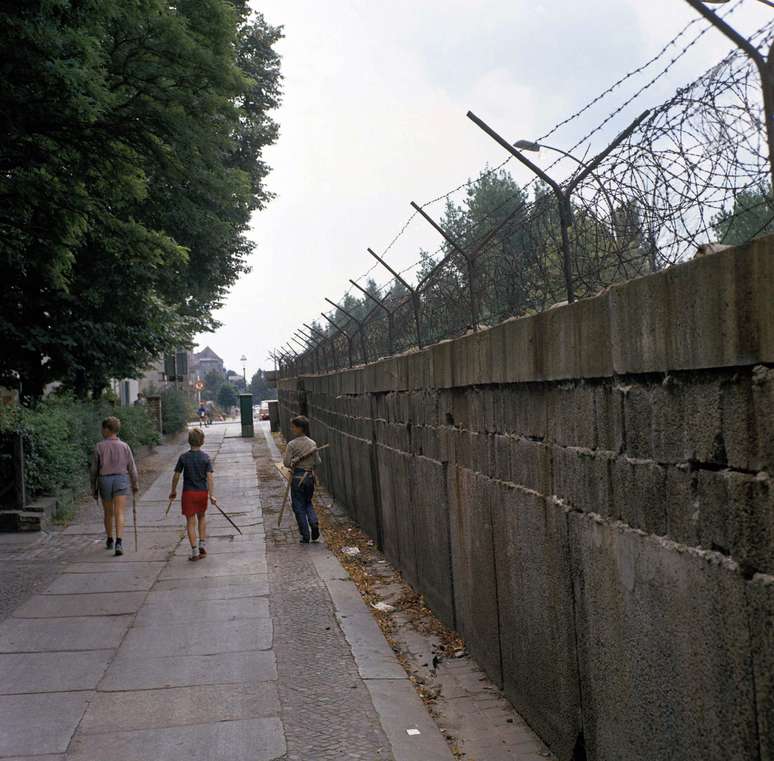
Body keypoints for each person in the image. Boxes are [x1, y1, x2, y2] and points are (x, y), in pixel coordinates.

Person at [90, 416, 139, 557]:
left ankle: (110, 539)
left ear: (107, 429)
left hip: (104, 480)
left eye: (102, 428)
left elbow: (93, 470)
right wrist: (135, 483)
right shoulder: (124, 446)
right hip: (121, 479)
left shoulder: (99, 446)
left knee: (108, 512)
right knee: (119, 512)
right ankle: (119, 542)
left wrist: (93, 487)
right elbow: (132, 467)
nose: (101, 431)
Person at [169, 427, 215, 561]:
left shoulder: (183, 458)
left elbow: (176, 476)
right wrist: (211, 495)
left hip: (188, 493)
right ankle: (202, 544)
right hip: (202, 492)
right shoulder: (205, 458)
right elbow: (210, 478)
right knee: (201, 517)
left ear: (189, 441)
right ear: (202, 442)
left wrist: (173, 490)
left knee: (190, 522)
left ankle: (194, 551)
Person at [283, 415, 322, 544]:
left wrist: (295, 461)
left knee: (298, 506)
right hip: (309, 477)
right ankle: (314, 522)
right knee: (308, 503)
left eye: (293, 426)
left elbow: (287, 463)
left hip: (297, 478)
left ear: (300, 428)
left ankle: (305, 535)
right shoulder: (312, 443)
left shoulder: (292, 444)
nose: (292, 429)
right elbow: (317, 461)